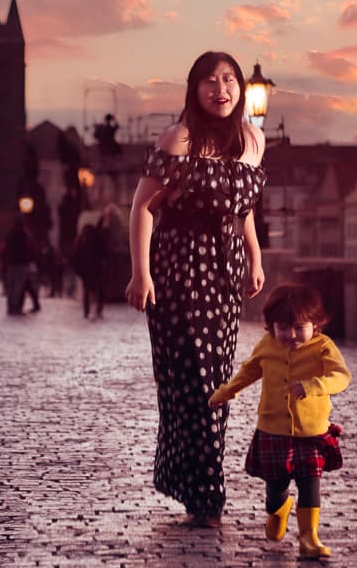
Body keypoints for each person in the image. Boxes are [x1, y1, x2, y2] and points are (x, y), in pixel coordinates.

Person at [125, 50, 266, 527]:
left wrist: (256, 256)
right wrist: (141, 273)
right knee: (189, 384)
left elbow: (243, 209)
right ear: (194, 89)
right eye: (209, 80)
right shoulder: (179, 139)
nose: (221, 89)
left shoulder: (253, 140)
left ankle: (192, 483)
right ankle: (208, 494)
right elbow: (142, 208)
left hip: (224, 277)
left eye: (229, 80)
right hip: (179, 269)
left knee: (215, 383)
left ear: (241, 89)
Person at [208, 284, 351, 559]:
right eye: (283, 328)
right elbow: (248, 372)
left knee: (310, 483)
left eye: (299, 327)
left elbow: (342, 376)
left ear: (315, 324)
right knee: (276, 487)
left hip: (312, 431)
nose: (292, 335)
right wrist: (226, 391)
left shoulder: (323, 347)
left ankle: (309, 538)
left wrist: (315, 385)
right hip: (273, 430)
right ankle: (279, 508)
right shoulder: (267, 346)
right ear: (271, 326)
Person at [72, 222, 108, 319]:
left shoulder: (80, 240)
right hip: (96, 269)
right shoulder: (97, 239)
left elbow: (75, 257)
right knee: (99, 289)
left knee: (87, 290)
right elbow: (104, 252)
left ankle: (87, 311)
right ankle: (98, 309)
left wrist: (78, 271)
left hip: (86, 271)